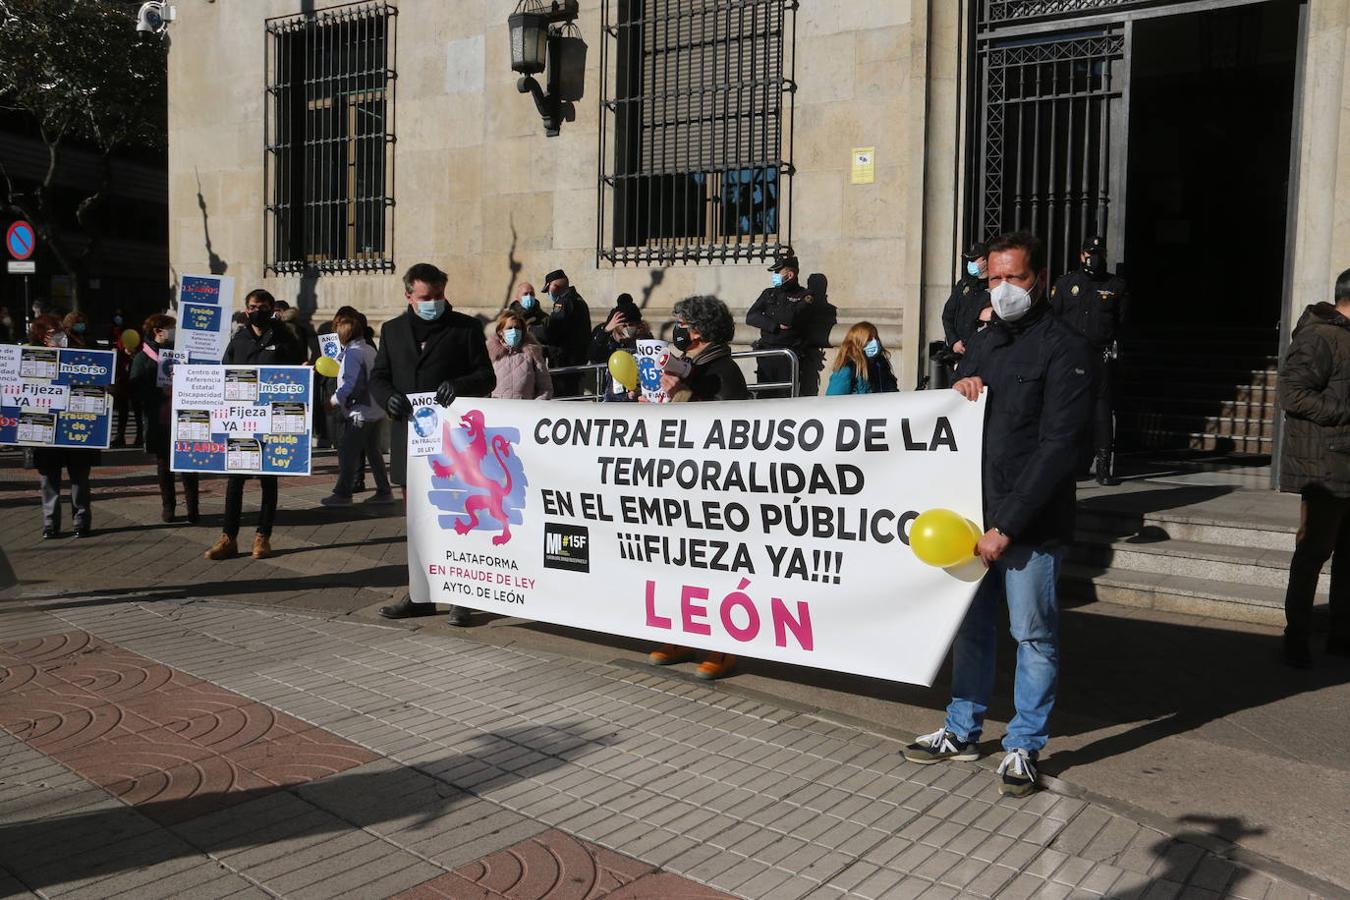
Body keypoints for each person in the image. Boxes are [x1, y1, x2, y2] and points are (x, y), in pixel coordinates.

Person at [902, 231, 1092, 797]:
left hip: (1027, 527)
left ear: (1040, 279)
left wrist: (1006, 525)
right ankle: (962, 729)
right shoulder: (984, 341)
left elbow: (1059, 448)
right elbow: (965, 415)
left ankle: (1024, 745)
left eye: (1015, 277)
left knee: (1032, 635)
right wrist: (961, 385)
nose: (1003, 289)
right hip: (970, 522)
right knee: (972, 631)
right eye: (994, 279)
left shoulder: (1067, 348)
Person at [371, 263, 496, 624]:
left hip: (454, 446)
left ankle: (461, 596)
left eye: (439, 296)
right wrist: (389, 398)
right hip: (411, 443)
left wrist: (460, 385)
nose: (434, 303)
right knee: (418, 524)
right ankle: (420, 594)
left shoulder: (466, 328)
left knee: (458, 519)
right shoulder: (392, 330)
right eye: (426, 297)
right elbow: (379, 376)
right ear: (409, 296)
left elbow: (485, 375)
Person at [648, 296, 749, 680]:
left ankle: (723, 647)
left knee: (715, 569)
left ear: (699, 331)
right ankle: (683, 634)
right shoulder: (692, 369)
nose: (677, 329)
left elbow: (722, 431)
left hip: (712, 489)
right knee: (680, 564)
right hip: (682, 483)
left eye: (682, 323)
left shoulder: (721, 371)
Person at [1276, 267, 1350, 668]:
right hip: (1326, 466)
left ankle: (1341, 635)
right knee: (1313, 554)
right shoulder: (1319, 337)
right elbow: (1291, 394)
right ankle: (1297, 637)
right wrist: (1345, 413)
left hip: (1348, 462)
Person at [204, 289, 307, 561]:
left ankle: (263, 536)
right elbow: (224, 373)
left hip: (272, 422)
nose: (256, 311)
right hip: (242, 422)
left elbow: (297, 375)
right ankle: (229, 537)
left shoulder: (286, 337)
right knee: (235, 482)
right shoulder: (238, 338)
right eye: (252, 306)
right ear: (246, 309)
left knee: (268, 480)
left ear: (272, 308)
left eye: (261, 306)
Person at [1050, 235, 1129, 485]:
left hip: (1099, 356)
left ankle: (1103, 466)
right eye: (1088, 253)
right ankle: (1071, 463)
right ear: (1081, 255)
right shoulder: (1066, 284)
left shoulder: (1116, 286)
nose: (1092, 258)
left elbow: (1122, 324)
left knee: (1101, 411)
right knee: (1067, 410)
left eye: (1097, 254)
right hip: (1070, 358)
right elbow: (1053, 319)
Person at [27, 315, 100, 538]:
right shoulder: (30, 358)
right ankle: (50, 524)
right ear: (41, 336)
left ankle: (81, 521)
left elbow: (97, 384)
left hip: (76, 426)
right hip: (45, 430)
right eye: (53, 333)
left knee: (79, 477)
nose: (61, 337)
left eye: (62, 332)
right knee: (48, 479)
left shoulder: (80, 355)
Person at [128, 314, 200, 524]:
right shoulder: (143, 357)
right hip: (159, 418)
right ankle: (169, 507)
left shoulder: (181, 352)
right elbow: (135, 389)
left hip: (184, 417)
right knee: (164, 465)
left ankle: (193, 508)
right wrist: (160, 392)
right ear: (158, 331)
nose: (175, 331)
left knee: (188, 462)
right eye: (171, 327)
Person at [321, 311, 396, 507]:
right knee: (373, 451)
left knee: (347, 452)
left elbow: (350, 384)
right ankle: (384, 490)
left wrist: (333, 401)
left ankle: (343, 493)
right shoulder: (368, 349)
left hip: (360, 411)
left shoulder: (353, 354)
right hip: (375, 409)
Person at [746, 254, 824, 397]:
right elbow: (751, 317)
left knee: (785, 397)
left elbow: (789, 319)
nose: (774, 276)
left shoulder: (805, 295)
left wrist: (768, 315)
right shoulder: (769, 293)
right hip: (766, 355)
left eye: (777, 272)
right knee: (764, 397)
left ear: (790, 274)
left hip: (788, 356)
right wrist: (774, 325)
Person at [588, 294, 651, 402]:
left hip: (637, 395)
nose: (627, 328)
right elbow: (593, 355)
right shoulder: (609, 341)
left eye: (630, 324)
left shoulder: (644, 339)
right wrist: (605, 331)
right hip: (613, 397)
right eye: (624, 325)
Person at [540, 269, 591, 396]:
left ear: (554, 286)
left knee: (562, 400)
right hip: (575, 362)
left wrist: (532, 331)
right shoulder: (578, 299)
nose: (549, 294)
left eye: (548, 290)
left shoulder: (564, 302)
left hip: (564, 363)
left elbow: (552, 330)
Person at [489, 311, 553, 401]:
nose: (514, 331)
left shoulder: (533, 353)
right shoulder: (491, 354)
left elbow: (545, 388)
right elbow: (483, 387)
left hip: (525, 411)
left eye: (517, 328)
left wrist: (536, 406)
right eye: (509, 328)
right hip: (498, 411)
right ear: (500, 332)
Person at [941, 242, 990, 358]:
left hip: (982, 353)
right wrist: (954, 341)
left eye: (974, 260)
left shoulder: (994, 287)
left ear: (985, 260)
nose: (970, 264)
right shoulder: (964, 285)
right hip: (959, 353)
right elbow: (948, 315)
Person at [826, 322, 899, 395]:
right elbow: (833, 401)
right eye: (869, 339)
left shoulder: (881, 365)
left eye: (876, 338)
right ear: (858, 343)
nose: (875, 342)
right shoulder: (847, 369)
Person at [108, 309, 139, 447]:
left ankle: (139, 437)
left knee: (137, 409)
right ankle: (120, 436)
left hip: (133, 379)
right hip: (121, 379)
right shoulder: (114, 333)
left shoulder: (133, 334)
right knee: (122, 409)